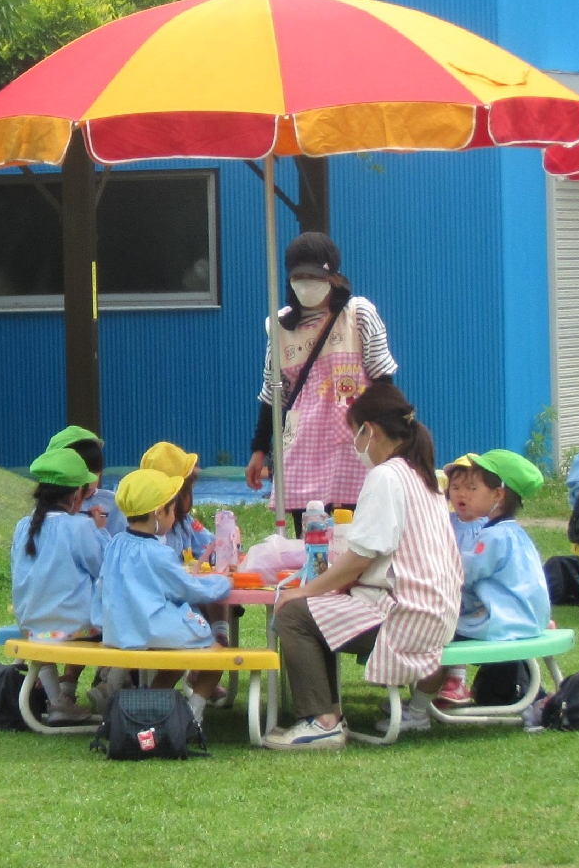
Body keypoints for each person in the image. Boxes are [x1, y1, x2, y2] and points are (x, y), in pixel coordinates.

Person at [263, 380, 461, 751]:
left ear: (368, 431)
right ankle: (329, 712)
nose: (354, 445)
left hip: (405, 618)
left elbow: (360, 557)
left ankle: (320, 721)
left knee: (294, 612)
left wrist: (304, 590)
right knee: (314, 608)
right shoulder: (425, 477)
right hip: (438, 614)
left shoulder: (387, 476)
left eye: (354, 434)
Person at [245, 231, 398, 530]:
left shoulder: (359, 314)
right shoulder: (278, 327)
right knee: (311, 542)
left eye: (314, 277)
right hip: (302, 449)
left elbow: (383, 381)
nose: (306, 285)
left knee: (358, 537)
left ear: (334, 277)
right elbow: (273, 393)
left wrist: (391, 436)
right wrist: (259, 449)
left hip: (355, 446)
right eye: (299, 277)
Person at [97, 467, 232, 716]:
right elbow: (189, 588)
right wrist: (223, 583)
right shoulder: (158, 554)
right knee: (218, 656)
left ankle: (149, 710)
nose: (174, 517)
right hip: (152, 631)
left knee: (176, 660)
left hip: (121, 631)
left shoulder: (115, 543)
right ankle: (194, 711)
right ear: (159, 512)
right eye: (172, 510)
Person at [438, 450, 550, 708]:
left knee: (434, 628)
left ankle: (430, 696)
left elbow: (462, 573)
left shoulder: (493, 537)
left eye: (474, 488)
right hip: (526, 617)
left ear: (498, 495)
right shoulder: (512, 532)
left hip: (502, 622)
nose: (464, 494)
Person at [10, 446, 106, 724]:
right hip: (78, 626)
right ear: (78, 494)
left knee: (44, 633)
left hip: (31, 624)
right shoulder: (80, 527)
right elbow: (103, 568)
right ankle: (113, 686)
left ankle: (57, 701)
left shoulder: (23, 526)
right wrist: (100, 531)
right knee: (122, 624)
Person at [50, 425, 119, 536]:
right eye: (82, 471)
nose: (91, 480)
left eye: (96, 470)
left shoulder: (114, 503)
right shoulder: (49, 511)